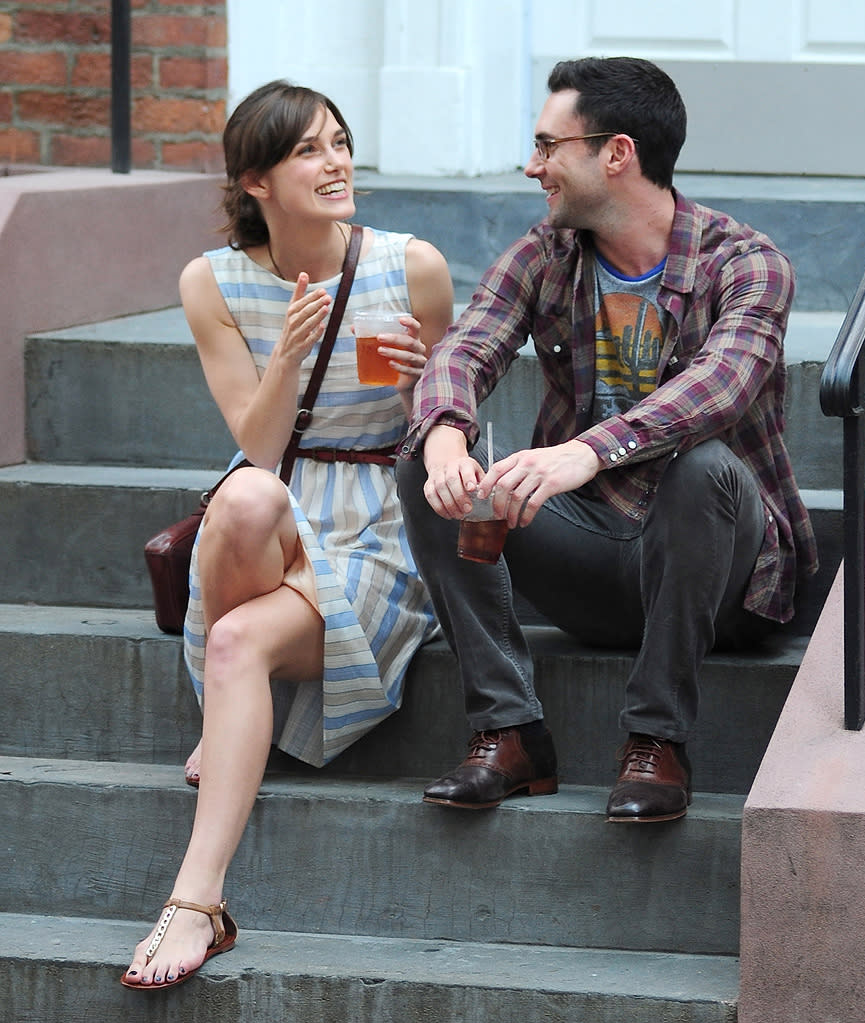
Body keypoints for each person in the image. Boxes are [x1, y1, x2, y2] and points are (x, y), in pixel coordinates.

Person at [396, 56, 818, 824]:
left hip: (727, 577)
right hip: (595, 556)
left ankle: (656, 742)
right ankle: (509, 731)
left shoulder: (747, 265)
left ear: (614, 152)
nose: (532, 167)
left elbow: (719, 386)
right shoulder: (544, 257)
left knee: (702, 467)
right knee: (424, 466)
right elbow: (463, 349)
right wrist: (447, 437)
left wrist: (587, 449)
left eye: (547, 146)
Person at [121, 80, 453, 990]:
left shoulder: (410, 266)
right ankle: (238, 712)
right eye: (309, 150)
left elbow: (446, 435)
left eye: (340, 142)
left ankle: (196, 900)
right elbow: (258, 450)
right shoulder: (211, 281)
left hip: (381, 516)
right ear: (254, 180)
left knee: (236, 637)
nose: (336, 161)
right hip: (279, 501)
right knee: (242, 500)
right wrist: (293, 355)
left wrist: (422, 399)